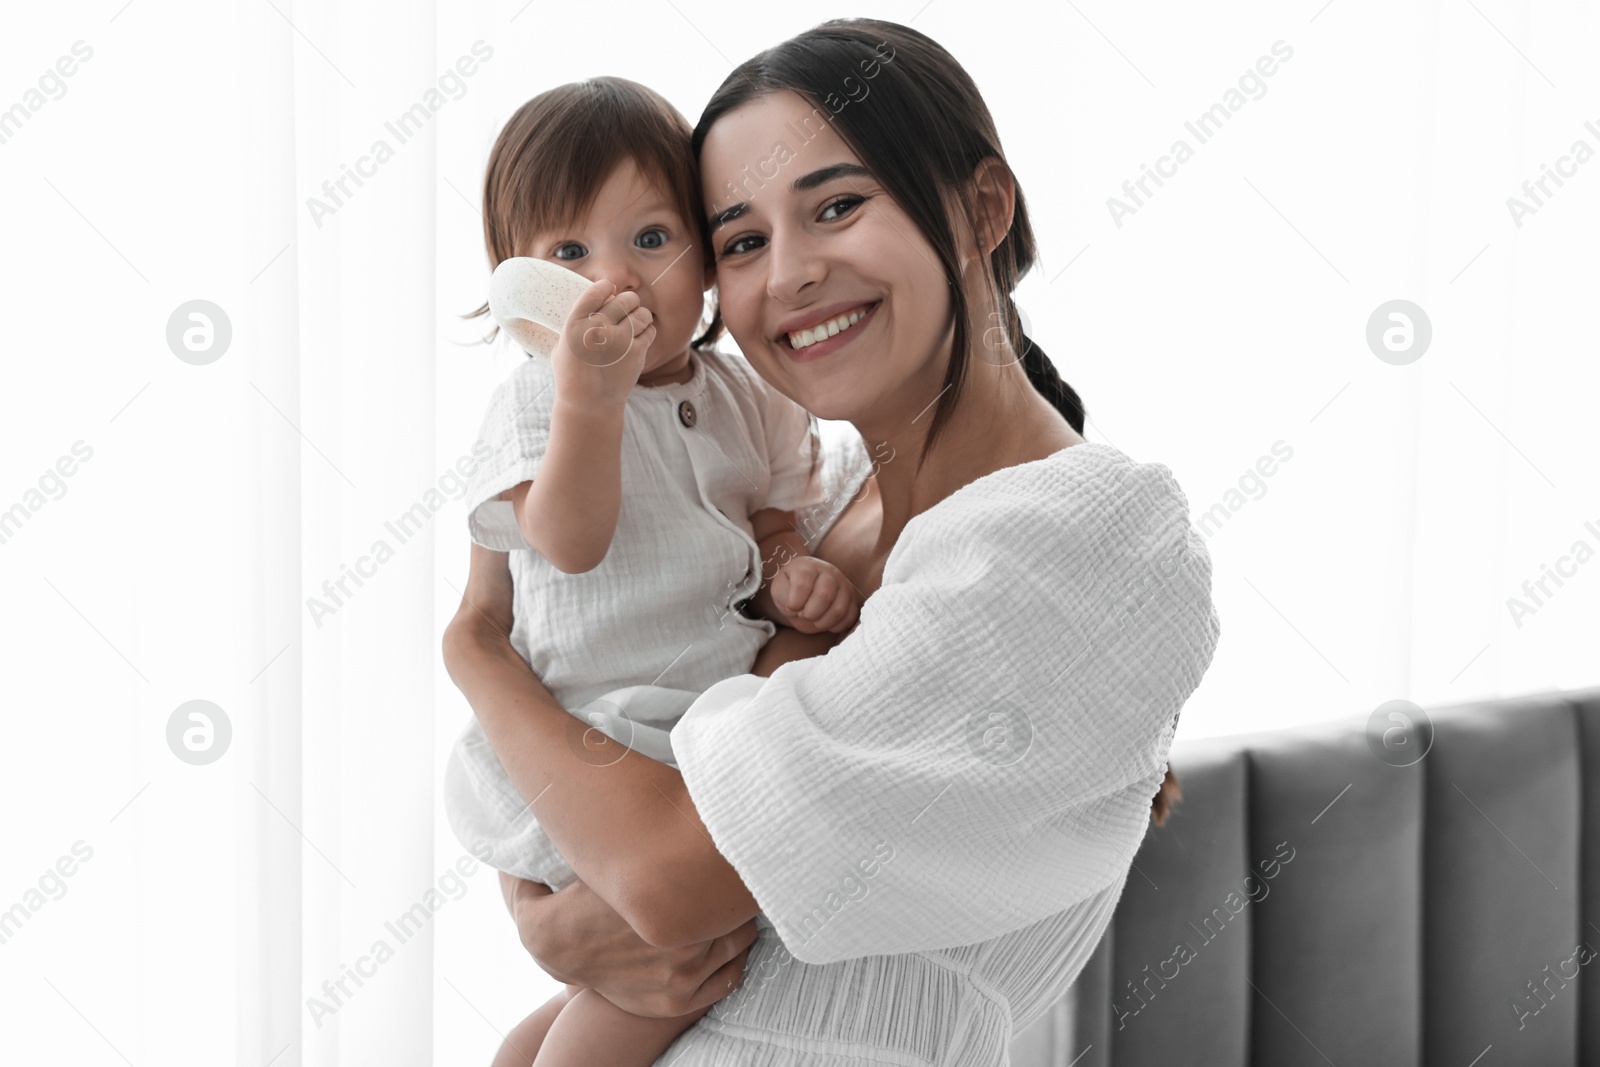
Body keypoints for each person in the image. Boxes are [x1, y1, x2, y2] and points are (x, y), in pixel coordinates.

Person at [443, 18, 1221, 1065]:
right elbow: (603, 735)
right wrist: (547, 912)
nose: (792, 274)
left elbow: (664, 872)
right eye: (744, 241)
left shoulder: (1075, 535)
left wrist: (474, 653)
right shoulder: (809, 514)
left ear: (982, 208)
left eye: (838, 206)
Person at [444, 77, 862, 1067]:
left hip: (701, 725)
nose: (615, 281)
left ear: (706, 256)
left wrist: (789, 568)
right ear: (516, 283)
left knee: (608, 986)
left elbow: (763, 524)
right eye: (569, 254)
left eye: (649, 238)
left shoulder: (747, 399)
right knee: (650, 981)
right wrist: (590, 401)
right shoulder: (535, 402)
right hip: (597, 737)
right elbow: (569, 539)